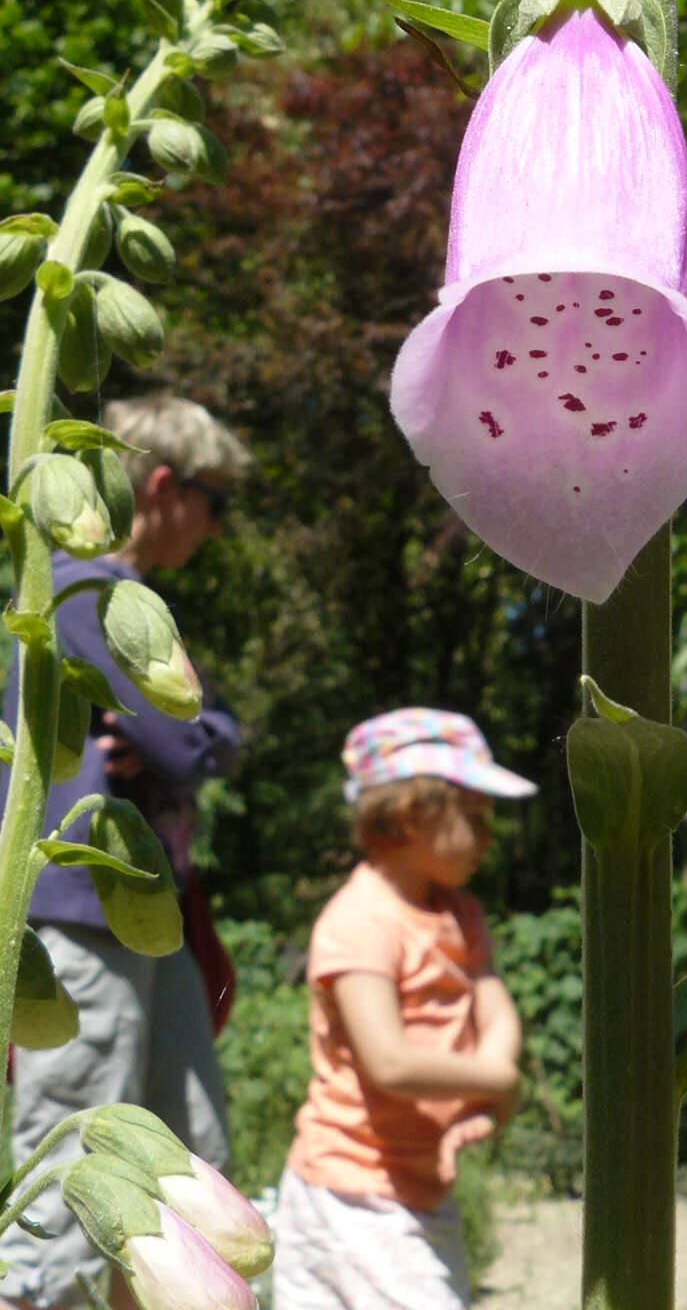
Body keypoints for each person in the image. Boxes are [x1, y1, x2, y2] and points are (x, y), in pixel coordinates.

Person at [0, 394, 251, 1310]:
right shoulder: (74, 593)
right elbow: (196, 741)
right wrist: (197, 736)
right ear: (160, 485)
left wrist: (198, 734)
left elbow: (204, 733)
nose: (215, 529)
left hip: (150, 907)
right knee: (71, 1149)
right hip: (81, 909)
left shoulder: (119, 602)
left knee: (190, 1152)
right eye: (214, 503)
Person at [272, 709, 535, 1310]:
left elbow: (495, 1010)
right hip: (351, 1190)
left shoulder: (459, 914)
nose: (488, 838)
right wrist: (499, 1080)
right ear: (414, 815)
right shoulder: (361, 921)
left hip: (415, 1189)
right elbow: (388, 1061)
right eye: (475, 818)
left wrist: (489, 1095)